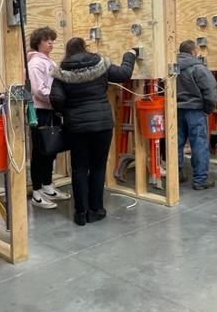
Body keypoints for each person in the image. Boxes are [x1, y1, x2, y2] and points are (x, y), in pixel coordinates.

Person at [50, 37, 136, 226]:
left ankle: (81, 213)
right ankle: (96, 210)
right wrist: (130, 54)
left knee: (79, 168)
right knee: (98, 167)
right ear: (85, 47)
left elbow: (56, 98)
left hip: (76, 127)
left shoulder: (61, 71)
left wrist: (66, 111)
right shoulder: (100, 64)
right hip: (102, 125)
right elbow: (124, 73)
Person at [28, 27, 71, 209]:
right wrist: (57, 100)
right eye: (47, 40)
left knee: (51, 150)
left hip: (52, 109)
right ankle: (36, 192)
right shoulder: (36, 63)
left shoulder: (49, 62)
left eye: (52, 40)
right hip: (40, 110)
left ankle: (48, 185)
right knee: (40, 150)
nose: (51, 43)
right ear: (38, 42)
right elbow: (39, 89)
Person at [176, 40, 217, 190]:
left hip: (176, 110)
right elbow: (210, 90)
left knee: (176, 143)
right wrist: (208, 108)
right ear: (194, 52)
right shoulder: (198, 68)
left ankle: (176, 174)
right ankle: (200, 180)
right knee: (199, 144)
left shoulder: (171, 67)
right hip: (195, 110)